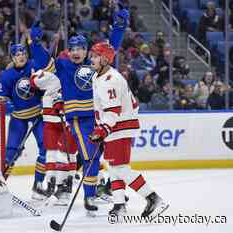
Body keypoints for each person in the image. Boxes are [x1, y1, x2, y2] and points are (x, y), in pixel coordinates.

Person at [49, 4, 129, 215]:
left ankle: (98, 188)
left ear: (87, 51)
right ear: (68, 51)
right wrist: (40, 42)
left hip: (99, 119)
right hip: (78, 120)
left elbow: (111, 48)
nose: (76, 52)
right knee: (90, 156)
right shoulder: (63, 65)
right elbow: (46, 71)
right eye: (72, 48)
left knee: (105, 156)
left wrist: (119, 27)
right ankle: (88, 196)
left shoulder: (94, 65)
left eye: (80, 49)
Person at [89, 42, 169, 218]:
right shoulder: (99, 77)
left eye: (95, 56)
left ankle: (152, 197)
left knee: (120, 168)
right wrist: (102, 128)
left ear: (104, 59)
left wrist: (102, 129)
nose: (91, 59)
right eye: (92, 55)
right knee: (112, 166)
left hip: (120, 126)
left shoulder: (111, 80)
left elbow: (112, 111)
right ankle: (119, 204)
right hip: (114, 126)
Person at [0, 22, 53, 201]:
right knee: (11, 153)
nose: (20, 56)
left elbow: (49, 71)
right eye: (16, 54)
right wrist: (12, 106)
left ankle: (38, 186)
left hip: (38, 115)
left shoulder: (34, 65)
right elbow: (1, 100)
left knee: (46, 148)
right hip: (18, 119)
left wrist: (36, 42)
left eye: (22, 53)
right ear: (11, 57)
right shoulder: (6, 76)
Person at [30, 69, 78, 205]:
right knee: (62, 153)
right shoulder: (71, 74)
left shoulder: (51, 76)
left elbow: (33, 81)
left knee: (62, 153)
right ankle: (59, 184)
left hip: (59, 118)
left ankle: (61, 185)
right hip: (60, 117)